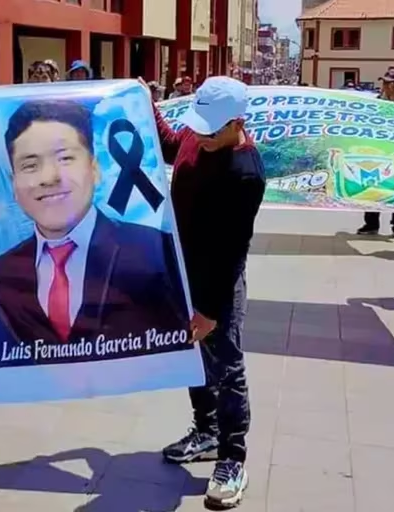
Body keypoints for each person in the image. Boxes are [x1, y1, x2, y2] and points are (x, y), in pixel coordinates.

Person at [151, 75, 266, 508]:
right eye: (198, 126)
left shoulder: (245, 173)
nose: (201, 136)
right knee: (193, 358)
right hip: (184, 270)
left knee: (227, 366)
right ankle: (207, 431)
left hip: (218, 279)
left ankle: (233, 458)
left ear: (237, 123)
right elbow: (171, 145)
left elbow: (232, 252)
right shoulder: (199, 133)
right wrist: (147, 106)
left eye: (211, 131)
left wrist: (211, 310)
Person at [0, 98, 190, 349]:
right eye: (30, 165)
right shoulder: (4, 270)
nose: (49, 178)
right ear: (14, 182)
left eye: (65, 159)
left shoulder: (152, 250)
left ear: (94, 169)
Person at [355, 69, 394, 238]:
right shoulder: (377, 102)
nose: (385, 86)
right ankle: (371, 223)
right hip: (379, 152)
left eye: (389, 83)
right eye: (384, 82)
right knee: (373, 186)